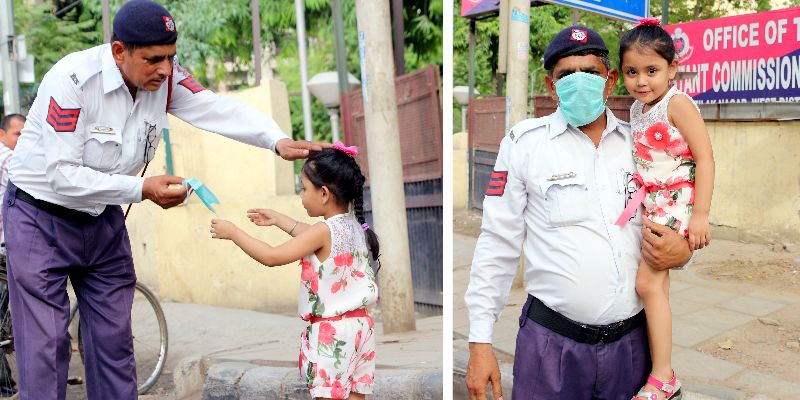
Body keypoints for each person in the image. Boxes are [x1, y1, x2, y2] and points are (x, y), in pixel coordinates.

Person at [2, 1, 320, 398]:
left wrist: (276, 140)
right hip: (39, 219)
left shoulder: (165, 81)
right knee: (46, 350)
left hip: (102, 220)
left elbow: (215, 108)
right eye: (153, 59)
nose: (165, 69)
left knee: (114, 345)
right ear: (120, 51)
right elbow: (61, 174)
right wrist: (142, 189)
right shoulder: (72, 81)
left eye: (171, 57)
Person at [463, 26, 693, 400]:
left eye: (590, 72)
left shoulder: (641, 143)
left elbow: (675, 203)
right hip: (551, 349)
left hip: (632, 348)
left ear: (610, 80)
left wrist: (682, 253)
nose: (578, 82)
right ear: (550, 86)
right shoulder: (525, 145)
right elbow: (497, 244)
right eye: (566, 75)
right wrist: (479, 341)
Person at [210, 142, 379, 400]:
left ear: (324, 194)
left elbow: (272, 256)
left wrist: (233, 232)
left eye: (304, 188)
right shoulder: (355, 228)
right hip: (360, 330)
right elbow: (309, 236)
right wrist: (279, 219)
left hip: (331, 335)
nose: (301, 195)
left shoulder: (324, 232)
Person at [616, 18, 714, 400]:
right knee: (651, 286)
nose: (642, 81)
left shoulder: (677, 104)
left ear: (673, 68)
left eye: (652, 70)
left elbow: (705, 158)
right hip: (653, 202)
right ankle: (659, 369)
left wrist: (701, 215)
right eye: (632, 72)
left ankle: (663, 376)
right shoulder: (638, 110)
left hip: (677, 202)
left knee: (647, 284)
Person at [0, 113, 23, 397]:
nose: (23, 139)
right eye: (18, 134)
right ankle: (5, 387)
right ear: (2, 134)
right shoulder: (8, 159)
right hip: (8, 245)